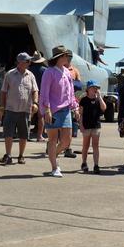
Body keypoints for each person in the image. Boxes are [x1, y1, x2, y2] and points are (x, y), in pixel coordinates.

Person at [39, 46, 79, 178]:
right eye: (65, 55)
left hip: (66, 109)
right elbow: (44, 92)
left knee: (66, 140)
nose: (67, 57)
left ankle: (53, 155)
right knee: (53, 139)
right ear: (59, 57)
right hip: (53, 110)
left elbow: (71, 92)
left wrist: (75, 107)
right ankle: (54, 167)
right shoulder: (49, 72)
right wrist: (47, 109)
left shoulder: (67, 72)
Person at [0, 52, 38, 165]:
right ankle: (8, 155)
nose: (30, 63)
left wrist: (35, 103)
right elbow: (3, 92)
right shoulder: (9, 74)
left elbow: (35, 90)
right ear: (20, 62)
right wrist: (2, 106)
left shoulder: (31, 75)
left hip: (25, 110)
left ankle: (21, 155)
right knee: (8, 133)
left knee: (24, 134)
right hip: (11, 109)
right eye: (28, 61)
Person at [79, 80, 105, 174]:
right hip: (86, 125)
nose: (95, 89)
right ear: (88, 89)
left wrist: (100, 97)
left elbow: (104, 108)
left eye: (96, 88)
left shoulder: (98, 99)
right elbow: (81, 113)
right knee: (85, 145)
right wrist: (81, 125)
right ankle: (84, 162)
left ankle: (96, 165)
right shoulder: (84, 100)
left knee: (95, 145)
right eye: (93, 87)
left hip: (96, 125)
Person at [28, 51, 47, 141]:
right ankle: (39, 136)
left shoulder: (29, 70)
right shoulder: (45, 70)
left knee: (28, 115)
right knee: (41, 116)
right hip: (41, 95)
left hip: (30, 94)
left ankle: (26, 135)